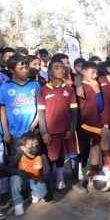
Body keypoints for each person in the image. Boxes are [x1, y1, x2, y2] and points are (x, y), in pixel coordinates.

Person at [38, 60, 86, 193]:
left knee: (73, 157)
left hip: (68, 132)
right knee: (54, 158)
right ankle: (57, 181)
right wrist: (44, 132)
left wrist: (71, 129)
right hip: (52, 133)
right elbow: (41, 114)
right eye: (56, 68)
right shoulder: (43, 90)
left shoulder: (69, 89)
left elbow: (74, 112)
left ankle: (76, 183)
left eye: (63, 68)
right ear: (50, 71)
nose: (61, 70)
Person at [77, 61, 110, 184]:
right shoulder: (78, 86)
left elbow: (101, 106)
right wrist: (78, 84)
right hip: (83, 124)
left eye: (97, 73)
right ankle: (83, 176)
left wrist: (97, 91)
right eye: (92, 72)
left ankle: (91, 177)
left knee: (96, 150)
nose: (95, 75)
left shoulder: (97, 85)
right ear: (84, 72)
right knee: (84, 153)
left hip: (96, 122)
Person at [0, 55, 40, 155]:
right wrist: (5, 132)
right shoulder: (5, 87)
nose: (25, 70)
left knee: (34, 161)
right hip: (13, 133)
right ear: (11, 70)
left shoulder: (35, 85)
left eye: (26, 67)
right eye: (21, 68)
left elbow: (41, 107)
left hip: (32, 131)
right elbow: (2, 110)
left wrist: (35, 123)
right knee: (16, 163)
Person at [6, 132, 53, 216]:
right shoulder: (20, 155)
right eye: (31, 145)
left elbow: (47, 173)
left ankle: (34, 194)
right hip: (23, 182)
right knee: (14, 178)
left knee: (43, 193)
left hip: (36, 182)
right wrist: (18, 172)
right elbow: (8, 170)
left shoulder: (41, 155)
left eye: (36, 144)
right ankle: (18, 205)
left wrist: (49, 191)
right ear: (22, 148)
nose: (34, 147)